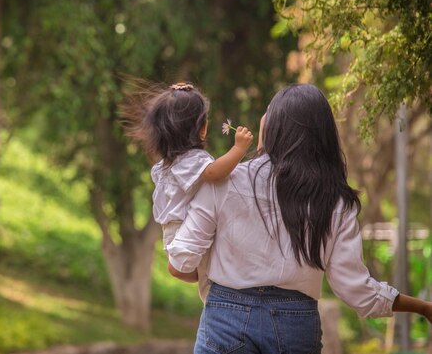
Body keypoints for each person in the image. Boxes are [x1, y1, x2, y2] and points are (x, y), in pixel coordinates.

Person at [167, 84, 432, 353]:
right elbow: (357, 291)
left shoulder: (224, 181)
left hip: (225, 321)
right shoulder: (336, 201)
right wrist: (423, 307)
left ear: (271, 127)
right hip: (296, 327)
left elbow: (179, 264)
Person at [123, 81, 253, 302]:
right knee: (187, 269)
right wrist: (238, 149)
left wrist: (182, 96)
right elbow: (215, 173)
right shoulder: (193, 161)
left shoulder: (172, 161)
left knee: (192, 270)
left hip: (172, 228)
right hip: (181, 227)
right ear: (202, 129)